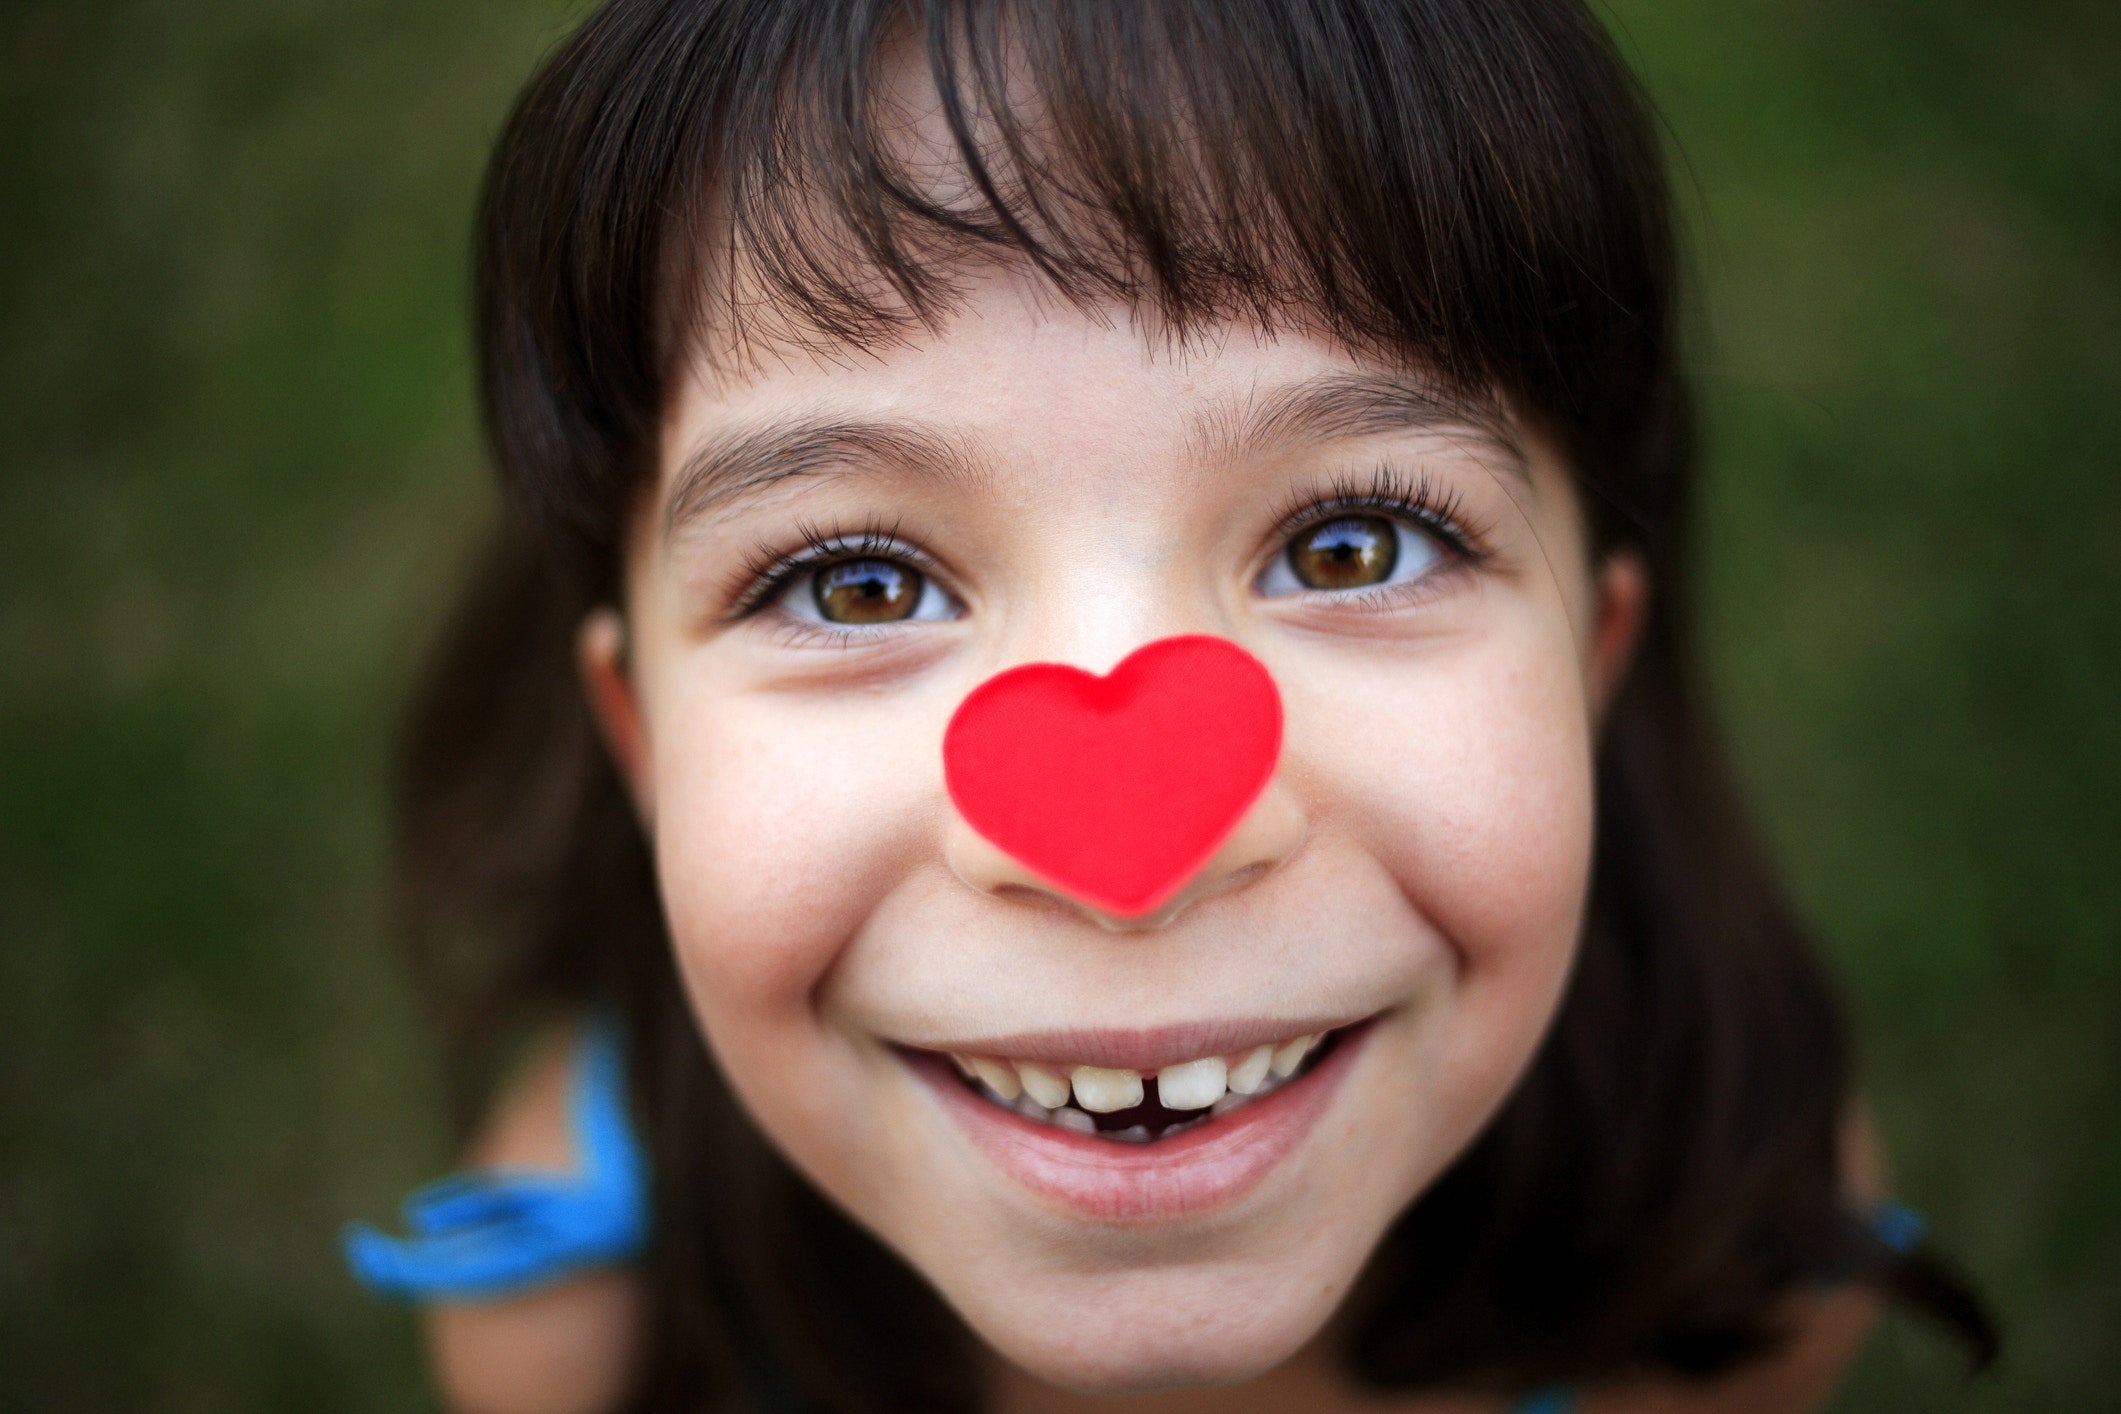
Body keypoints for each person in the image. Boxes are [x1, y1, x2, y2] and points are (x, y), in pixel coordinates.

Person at [343, 1, 1996, 1409]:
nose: (1131, 859)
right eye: (858, 583)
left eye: (1353, 543)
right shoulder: (577, 1317)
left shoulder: (1740, 1256)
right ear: (644, 745)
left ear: (1587, 664)